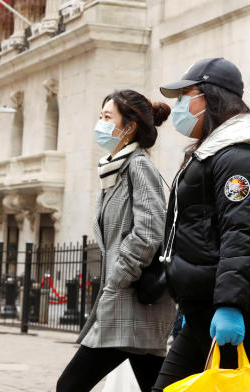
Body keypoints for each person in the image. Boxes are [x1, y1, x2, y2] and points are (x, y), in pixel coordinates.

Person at [152, 58, 250, 392]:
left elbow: (241, 232)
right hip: (208, 311)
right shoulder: (215, 152)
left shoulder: (240, 155)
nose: (179, 107)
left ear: (210, 97)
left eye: (185, 96)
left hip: (247, 313)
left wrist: (229, 305)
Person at [56, 90, 175, 392]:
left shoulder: (138, 166)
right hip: (128, 304)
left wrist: (119, 276)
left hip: (129, 301)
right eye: (101, 117)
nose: (101, 124)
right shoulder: (115, 170)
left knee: (69, 385)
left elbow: (149, 230)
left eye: (108, 118)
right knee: (156, 384)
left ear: (129, 127)